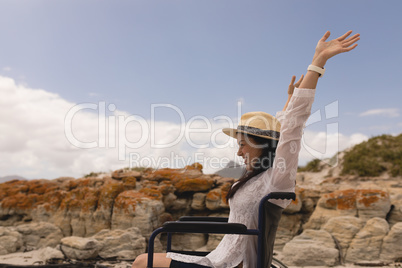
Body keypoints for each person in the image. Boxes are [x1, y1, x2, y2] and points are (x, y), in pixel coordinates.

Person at [132, 30, 360, 268]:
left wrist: (317, 63)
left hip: (233, 265)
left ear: (263, 146)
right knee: (142, 259)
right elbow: (280, 131)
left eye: (242, 144)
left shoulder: (277, 177)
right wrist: (289, 99)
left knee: (141, 263)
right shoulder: (254, 176)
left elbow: (292, 129)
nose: (238, 152)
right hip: (218, 257)